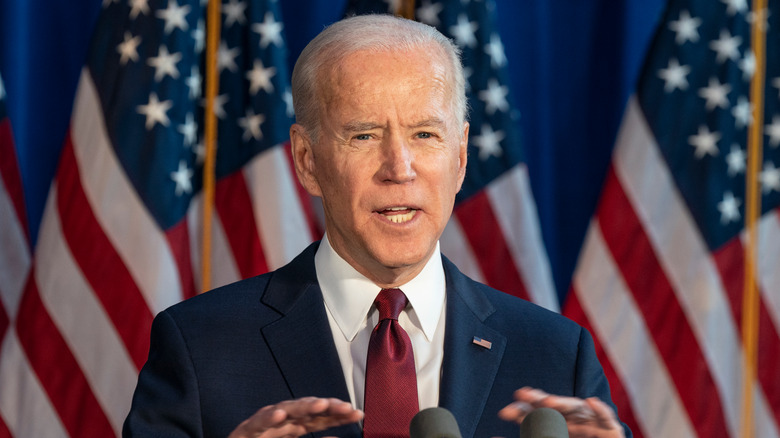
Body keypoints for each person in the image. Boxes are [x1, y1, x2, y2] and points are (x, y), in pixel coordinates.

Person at [123, 14, 630, 438]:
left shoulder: (557, 356)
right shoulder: (200, 347)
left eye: (425, 134)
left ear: (459, 158)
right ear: (306, 161)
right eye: (364, 135)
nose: (399, 167)